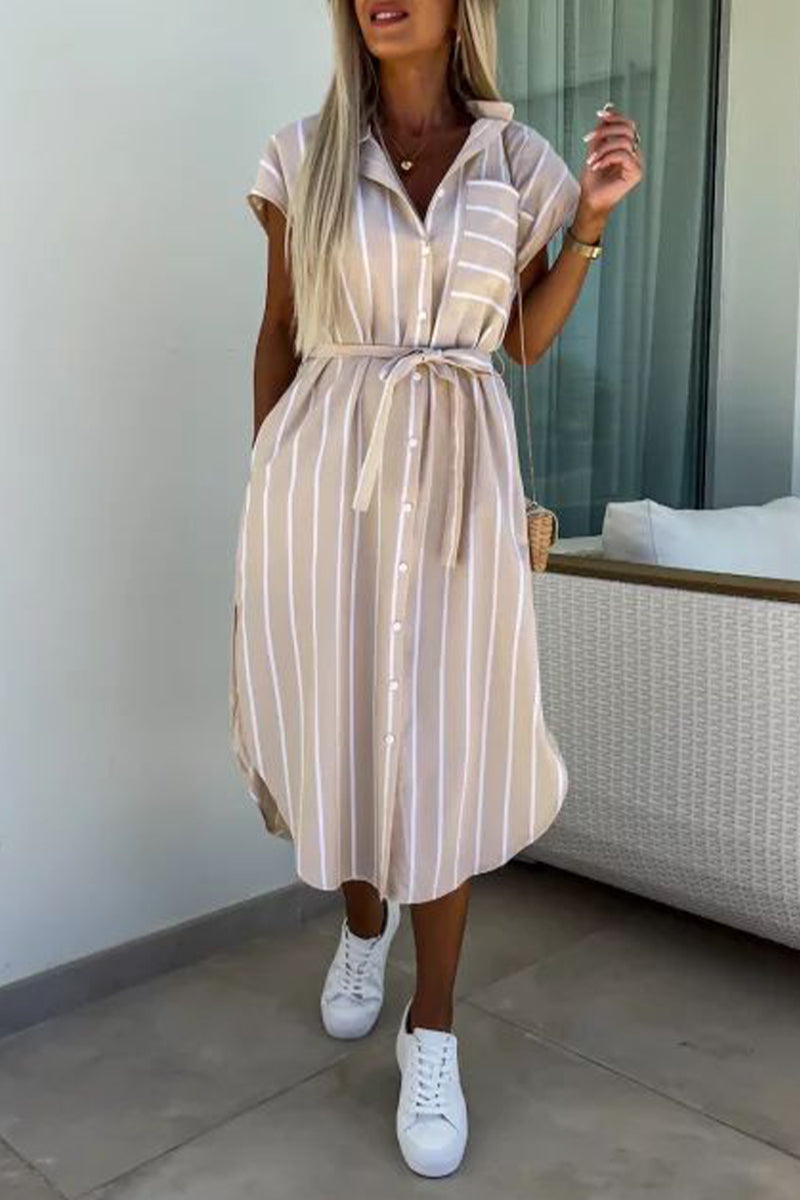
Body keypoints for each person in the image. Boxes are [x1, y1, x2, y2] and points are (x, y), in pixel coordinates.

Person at [229, 0, 642, 1178]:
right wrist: (269, 487)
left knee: (447, 746)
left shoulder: (516, 161)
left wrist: (588, 225)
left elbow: (518, 340)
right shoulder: (302, 156)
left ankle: (434, 1027)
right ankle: (363, 927)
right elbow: (278, 329)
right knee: (349, 729)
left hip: (460, 479)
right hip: (326, 485)